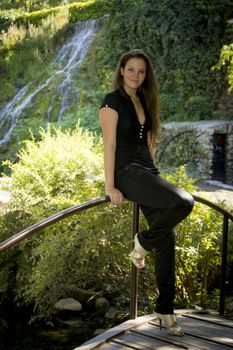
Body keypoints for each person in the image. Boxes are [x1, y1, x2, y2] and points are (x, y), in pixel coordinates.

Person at [99, 49, 194, 336]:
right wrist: (110, 186)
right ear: (121, 70)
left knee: (167, 236)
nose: (135, 75)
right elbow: (110, 146)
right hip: (126, 173)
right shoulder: (111, 101)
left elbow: (148, 142)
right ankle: (141, 242)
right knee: (184, 202)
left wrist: (154, 175)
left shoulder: (143, 99)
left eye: (141, 71)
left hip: (146, 172)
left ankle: (165, 309)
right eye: (131, 69)